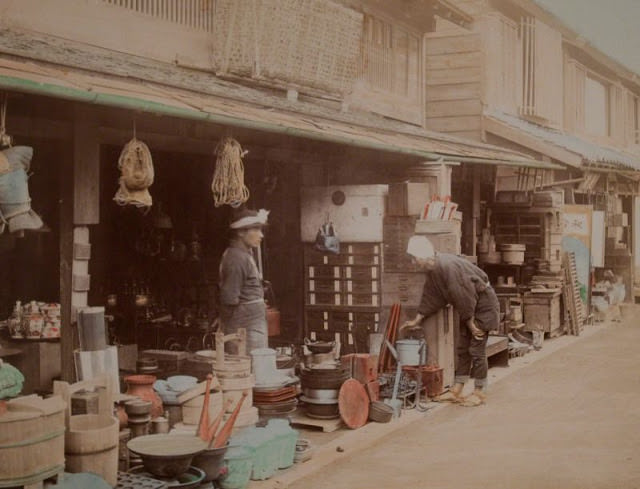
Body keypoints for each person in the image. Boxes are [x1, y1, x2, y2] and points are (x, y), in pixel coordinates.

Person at [400, 235, 499, 407]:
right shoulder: (435, 269)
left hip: (482, 306)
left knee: (477, 349)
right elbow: (432, 295)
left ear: (423, 256)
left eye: (415, 259)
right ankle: (457, 389)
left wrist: (470, 322)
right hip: (470, 308)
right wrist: (417, 320)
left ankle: (480, 392)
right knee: (462, 349)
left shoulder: (447, 266)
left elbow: (464, 294)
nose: (414, 264)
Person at [218, 207, 270, 354]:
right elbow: (229, 298)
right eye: (256, 230)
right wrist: (225, 326)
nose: (261, 235)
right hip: (244, 324)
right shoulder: (236, 258)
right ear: (241, 232)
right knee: (246, 364)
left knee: (258, 361)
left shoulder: (245, 254)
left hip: (253, 321)